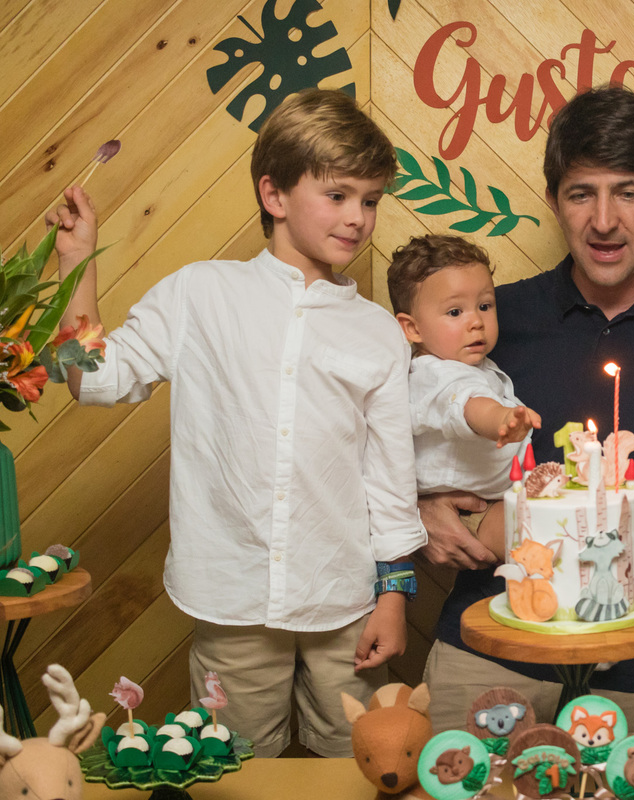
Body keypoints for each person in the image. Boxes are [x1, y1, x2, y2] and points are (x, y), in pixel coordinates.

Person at [47, 89, 427, 758]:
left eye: (370, 200)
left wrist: (393, 596)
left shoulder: (376, 333)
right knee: (239, 766)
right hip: (230, 598)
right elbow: (92, 378)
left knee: (363, 758)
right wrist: (77, 261)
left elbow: (389, 478)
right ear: (274, 194)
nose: (358, 217)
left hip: (344, 600)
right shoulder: (199, 294)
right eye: (337, 195)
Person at [419, 86, 634, 732]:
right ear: (555, 201)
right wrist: (418, 509)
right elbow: (392, 423)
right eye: (582, 193)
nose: (604, 220)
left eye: (629, 193)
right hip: (491, 645)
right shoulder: (491, 320)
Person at [388, 234, 541, 539]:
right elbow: (468, 405)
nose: (477, 322)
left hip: (491, 498)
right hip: (468, 511)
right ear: (413, 328)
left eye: (485, 305)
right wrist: (501, 419)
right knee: (545, 543)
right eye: (455, 312)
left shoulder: (469, 363)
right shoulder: (435, 374)